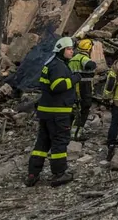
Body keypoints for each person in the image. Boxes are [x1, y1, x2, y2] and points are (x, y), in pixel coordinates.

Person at [25, 37, 80, 187]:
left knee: (42, 143)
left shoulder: (51, 63)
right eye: (69, 49)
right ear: (61, 50)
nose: (71, 52)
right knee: (59, 142)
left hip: (46, 111)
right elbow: (57, 86)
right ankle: (59, 173)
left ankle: (33, 173)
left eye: (72, 49)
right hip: (58, 112)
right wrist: (75, 79)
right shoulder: (58, 66)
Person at [69, 38, 97, 141]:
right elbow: (90, 65)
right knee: (83, 110)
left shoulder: (73, 59)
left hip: (73, 88)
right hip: (83, 89)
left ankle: (71, 133)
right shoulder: (83, 58)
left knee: (75, 111)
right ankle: (77, 134)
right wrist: (95, 64)